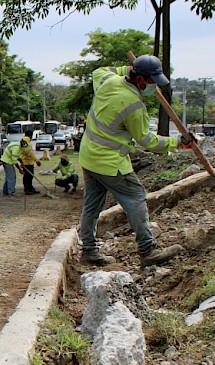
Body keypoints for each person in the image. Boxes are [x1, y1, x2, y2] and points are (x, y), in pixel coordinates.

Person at [78, 55, 186, 267]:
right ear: (140, 81)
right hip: (110, 163)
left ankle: (89, 250)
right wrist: (178, 142)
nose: (154, 87)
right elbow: (147, 141)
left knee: (92, 205)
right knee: (136, 198)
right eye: (152, 82)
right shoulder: (134, 105)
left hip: (89, 157)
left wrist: (124, 68)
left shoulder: (107, 80)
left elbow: (100, 69)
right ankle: (148, 250)